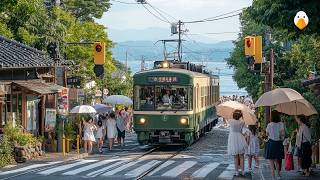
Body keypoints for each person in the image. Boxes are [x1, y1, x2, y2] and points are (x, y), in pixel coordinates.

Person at [265, 110, 285, 179]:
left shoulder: (269, 124)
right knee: (277, 161)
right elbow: (282, 134)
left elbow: (267, 134)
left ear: (272, 116)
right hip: (278, 143)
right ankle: (278, 175)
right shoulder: (281, 124)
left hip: (271, 143)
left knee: (271, 161)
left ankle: (273, 177)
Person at [227, 110, 247, 177]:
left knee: (235, 157)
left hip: (233, 138)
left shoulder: (230, 121)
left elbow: (228, 117)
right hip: (240, 137)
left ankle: (236, 171)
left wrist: (231, 112)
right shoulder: (242, 122)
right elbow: (243, 131)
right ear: (240, 116)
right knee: (241, 156)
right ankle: (243, 171)